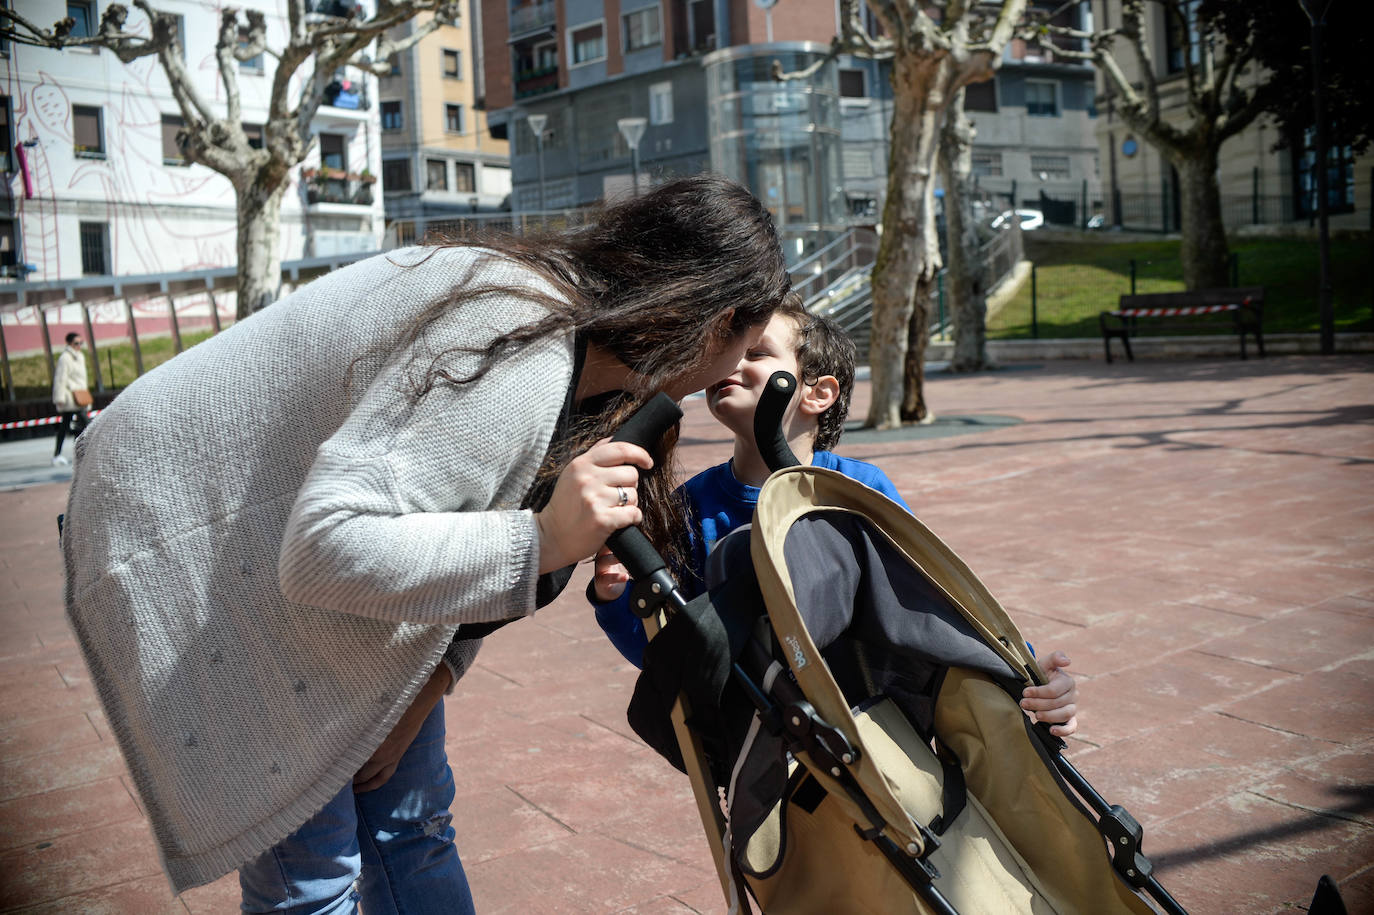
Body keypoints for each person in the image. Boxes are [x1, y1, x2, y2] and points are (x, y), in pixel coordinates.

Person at [60, 174, 792, 913]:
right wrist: (539, 539)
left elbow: (448, 545)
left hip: (286, 535)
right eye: (748, 342)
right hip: (192, 525)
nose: (736, 369)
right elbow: (325, 548)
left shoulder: (581, 356)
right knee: (314, 867)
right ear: (716, 319)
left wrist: (428, 682)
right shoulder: (520, 349)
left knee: (411, 821)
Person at [590, 297, 1079, 737]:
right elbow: (677, 654)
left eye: (755, 353)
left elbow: (932, 595)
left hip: (871, 725)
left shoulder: (858, 491)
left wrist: (1025, 665)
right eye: (726, 349)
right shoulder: (689, 507)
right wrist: (616, 597)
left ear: (817, 393)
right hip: (759, 731)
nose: (730, 362)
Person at [51, 331, 89, 466]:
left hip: (79, 396)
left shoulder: (80, 356)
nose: (79, 346)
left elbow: (83, 380)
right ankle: (59, 455)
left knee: (67, 426)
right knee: (87, 424)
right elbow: (60, 379)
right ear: (69, 344)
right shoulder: (65, 358)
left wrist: (85, 395)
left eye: (81, 343)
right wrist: (59, 398)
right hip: (70, 398)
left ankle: (60, 454)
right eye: (76, 343)